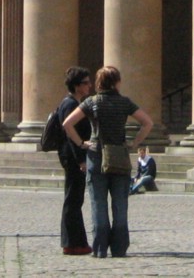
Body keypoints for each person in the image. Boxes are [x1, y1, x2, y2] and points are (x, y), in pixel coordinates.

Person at [62, 65, 152, 259]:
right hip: (119, 156)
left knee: (98, 203)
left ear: (99, 83)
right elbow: (147, 122)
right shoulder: (125, 102)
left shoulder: (91, 102)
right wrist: (134, 143)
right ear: (117, 82)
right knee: (120, 204)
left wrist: (81, 143)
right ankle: (119, 247)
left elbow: (67, 123)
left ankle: (101, 247)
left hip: (96, 156)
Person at [55, 66, 93, 255]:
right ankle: (72, 243)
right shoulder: (70, 105)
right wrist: (80, 159)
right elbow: (71, 136)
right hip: (72, 157)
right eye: (86, 83)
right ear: (77, 86)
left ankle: (74, 242)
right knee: (73, 199)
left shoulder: (71, 103)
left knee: (74, 199)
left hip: (71, 156)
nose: (89, 86)